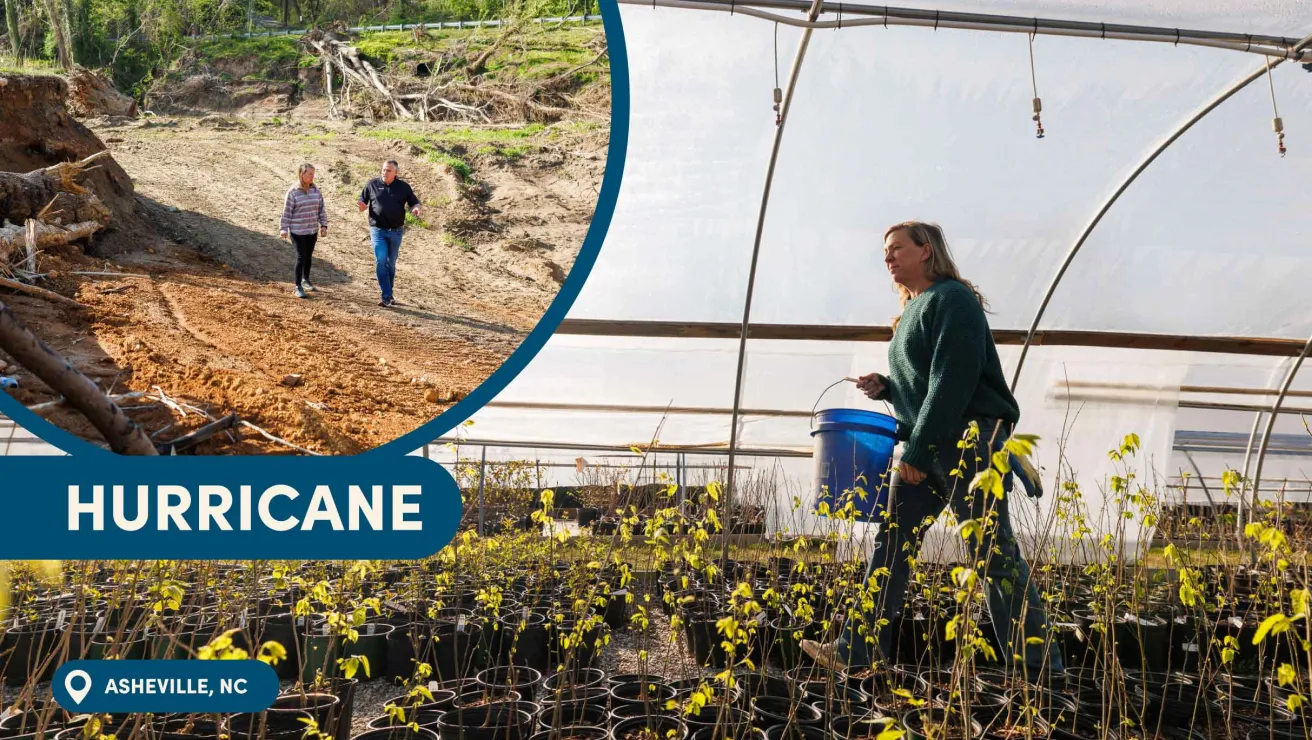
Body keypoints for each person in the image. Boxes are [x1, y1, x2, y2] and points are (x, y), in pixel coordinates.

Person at [801, 221, 1064, 681]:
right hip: (933, 443)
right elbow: (921, 389)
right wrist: (886, 388)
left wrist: (917, 453)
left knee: (991, 551)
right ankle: (857, 648)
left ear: (926, 251)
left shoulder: (953, 301)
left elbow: (951, 381)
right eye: (885, 251)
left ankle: (1040, 668)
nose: (888, 258)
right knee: (893, 541)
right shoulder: (910, 315)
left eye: (896, 248)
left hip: (966, 443)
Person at [357, 160, 421, 307]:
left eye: (389, 171)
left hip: (396, 231)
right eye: (384, 170)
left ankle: (389, 294)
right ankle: (386, 296)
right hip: (377, 230)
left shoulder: (403, 187)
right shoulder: (372, 184)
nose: (385, 173)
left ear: (395, 173)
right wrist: (361, 205)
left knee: (390, 264)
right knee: (381, 259)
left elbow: (414, 203)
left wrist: (416, 209)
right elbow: (362, 201)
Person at [279, 163, 329, 299]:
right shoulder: (293, 192)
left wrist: (324, 225)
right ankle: (298, 286)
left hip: (312, 230)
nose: (313, 176)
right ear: (302, 174)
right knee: (301, 256)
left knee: (308, 256)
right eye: (310, 174)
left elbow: (321, 209)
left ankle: (305, 280)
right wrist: (283, 228)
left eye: (313, 174)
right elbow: (286, 212)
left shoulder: (316, 191)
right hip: (297, 231)